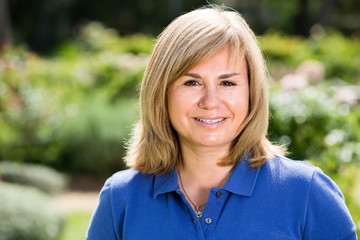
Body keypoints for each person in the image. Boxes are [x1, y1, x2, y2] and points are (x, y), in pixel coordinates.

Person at [86, 5, 357, 240]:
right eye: (192, 82)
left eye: (228, 82)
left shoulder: (306, 193)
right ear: (161, 92)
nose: (210, 100)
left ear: (252, 92)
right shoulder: (120, 199)